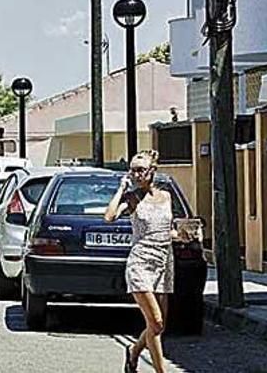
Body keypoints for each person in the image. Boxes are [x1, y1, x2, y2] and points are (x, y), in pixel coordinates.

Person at [104, 150, 186, 373]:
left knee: (158, 325)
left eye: (141, 169)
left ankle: (133, 351)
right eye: (133, 170)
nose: (136, 174)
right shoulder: (132, 198)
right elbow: (109, 216)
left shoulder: (166, 197)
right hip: (140, 263)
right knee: (156, 322)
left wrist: (183, 235)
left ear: (153, 171)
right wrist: (121, 188)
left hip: (164, 262)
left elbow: (169, 230)